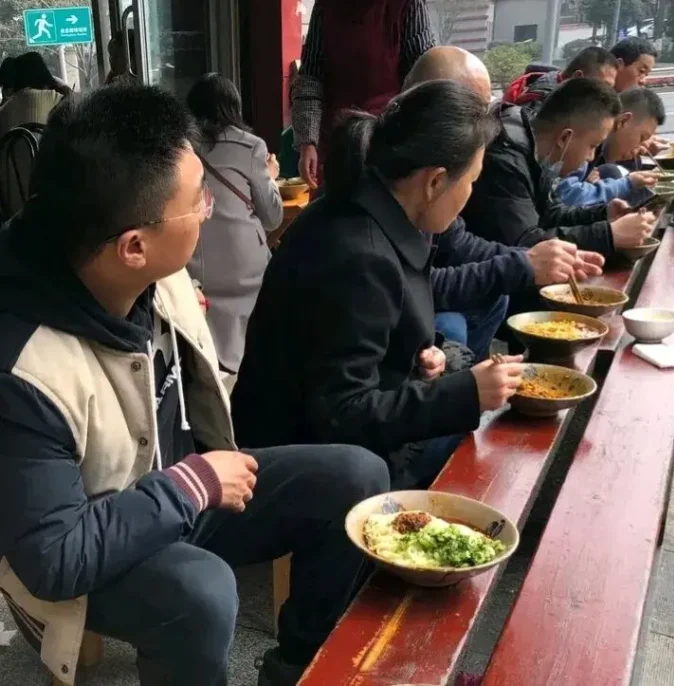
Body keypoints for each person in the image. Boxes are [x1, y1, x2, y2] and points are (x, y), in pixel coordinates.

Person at [0, 85, 389, 686]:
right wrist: (193, 483)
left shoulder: (147, 265)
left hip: (180, 487)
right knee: (203, 594)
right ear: (134, 245)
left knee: (356, 478)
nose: (211, 209)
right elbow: (54, 558)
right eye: (199, 203)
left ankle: (296, 668)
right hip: (94, 536)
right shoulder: (21, 365)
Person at [232, 80, 526, 490]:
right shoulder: (359, 254)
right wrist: (464, 393)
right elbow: (341, 413)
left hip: (333, 426)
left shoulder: (374, 209)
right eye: (472, 181)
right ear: (435, 181)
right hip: (305, 458)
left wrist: (432, 354)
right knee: (492, 452)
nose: (470, 195)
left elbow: (379, 322)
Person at [404, 46, 605, 361]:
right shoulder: (394, 186)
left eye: (486, 107)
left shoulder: (430, 165)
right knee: (451, 329)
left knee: (494, 299)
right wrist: (464, 386)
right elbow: (411, 287)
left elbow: (458, 241)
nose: (487, 122)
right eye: (474, 109)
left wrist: (527, 261)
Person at [462, 78, 656, 260]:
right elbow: (528, 246)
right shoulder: (505, 162)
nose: (590, 157)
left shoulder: (534, 149)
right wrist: (610, 235)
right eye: (592, 145)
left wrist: (603, 214)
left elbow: (549, 214)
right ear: (565, 138)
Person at [185, 73, 283, 373]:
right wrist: (272, 177)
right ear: (234, 106)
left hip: (196, 268)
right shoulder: (250, 146)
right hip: (246, 267)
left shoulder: (182, 149)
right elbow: (273, 217)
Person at [291, 0, 435, 190]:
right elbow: (310, 77)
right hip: (335, 144)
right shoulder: (325, 6)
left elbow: (425, 75)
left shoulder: (407, 5)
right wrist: (307, 142)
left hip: (388, 143)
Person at [557, 87, 666, 207]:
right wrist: (628, 184)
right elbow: (568, 195)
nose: (643, 147)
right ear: (624, 121)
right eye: (642, 137)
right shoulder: (585, 138)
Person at [503, 45, 618, 112]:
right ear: (578, 77)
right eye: (604, 86)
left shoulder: (561, 92)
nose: (607, 95)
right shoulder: (541, 106)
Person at [0, 52, 69, 137]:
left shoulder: (8, 106)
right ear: (44, 74)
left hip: (12, 149)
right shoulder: (58, 98)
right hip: (51, 149)